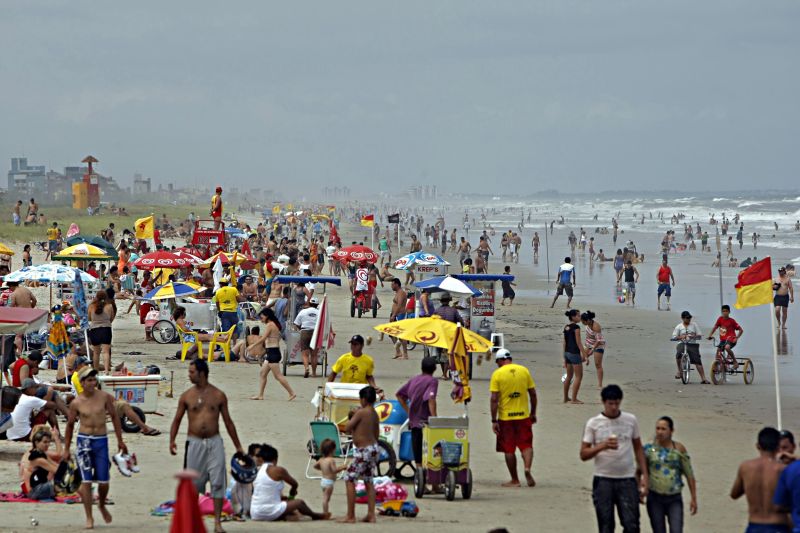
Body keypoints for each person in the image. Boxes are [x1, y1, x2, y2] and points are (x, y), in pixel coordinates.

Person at [169, 359, 244, 533]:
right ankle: (193, 522)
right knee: (193, 484)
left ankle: (217, 523)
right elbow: (177, 419)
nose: (189, 375)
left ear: (202, 373)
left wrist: (238, 446)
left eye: (192, 372)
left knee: (218, 481)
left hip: (214, 441)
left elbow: (228, 422)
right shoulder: (187, 396)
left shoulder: (218, 395)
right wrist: (172, 440)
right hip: (194, 443)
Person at [63, 367, 128, 529]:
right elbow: (70, 426)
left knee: (104, 481)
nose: (93, 383)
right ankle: (89, 517)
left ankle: (101, 504)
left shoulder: (104, 397)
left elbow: (114, 417)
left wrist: (120, 440)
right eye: (89, 380)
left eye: (94, 380)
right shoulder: (76, 403)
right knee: (85, 480)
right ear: (82, 383)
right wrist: (66, 449)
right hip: (84, 442)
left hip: (101, 440)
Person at [580, 385, 649, 533]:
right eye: (610, 403)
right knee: (606, 525)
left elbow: (638, 448)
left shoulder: (630, 420)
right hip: (603, 479)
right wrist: (602, 446)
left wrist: (645, 476)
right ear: (603, 402)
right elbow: (583, 454)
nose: (613, 407)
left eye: (617, 403)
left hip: (627, 479)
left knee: (632, 525)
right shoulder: (593, 423)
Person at [489, 348, 537, 488]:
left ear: (500, 360)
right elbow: (533, 394)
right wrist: (533, 413)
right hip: (523, 416)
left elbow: (494, 399)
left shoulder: (497, 374)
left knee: (509, 449)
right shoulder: (524, 370)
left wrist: (493, 420)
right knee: (526, 445)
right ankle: (527, 468)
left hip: (506, 418)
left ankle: (515, 480)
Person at [642, 416, 698, 533]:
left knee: (676, 529)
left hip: (674, 498)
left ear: (671, 431)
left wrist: (693, 498)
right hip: (654, 497)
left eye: (663, 429)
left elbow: (689, 474)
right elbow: (641, 470)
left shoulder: (679, 449)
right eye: (658, 429)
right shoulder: (649, 449)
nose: (660, 432)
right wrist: (640, 489)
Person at [731, 427, 791, 532]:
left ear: (758, 446)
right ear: (778, 447)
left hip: (754, 525)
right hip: (777, 525)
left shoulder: (746, 467)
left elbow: (734, 494)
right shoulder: (782, 470)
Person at [251, 444, 329, 521]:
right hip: (268, 511)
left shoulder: (258, 470)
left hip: (255, 512)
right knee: (299, 503)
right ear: (276, 458)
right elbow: (294, 484)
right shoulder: (278, 470)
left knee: (285, 502)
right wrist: (292, 495)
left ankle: (286, 515)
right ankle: (315, 515)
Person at [340, 386, 380, 523]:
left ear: (363, 399)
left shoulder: (361, 412)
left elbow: (347, 428)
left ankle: (350, 515)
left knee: (349, 478)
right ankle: (371, 514)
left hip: (364, 451)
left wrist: (352, 415)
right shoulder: (374, 413)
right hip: (373, 448)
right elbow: (376, 434)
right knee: (368, 481)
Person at [396, 357, 439, 472]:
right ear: (434, 368)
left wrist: (409, 410)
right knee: (431, 451)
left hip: (414, 422)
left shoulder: (414, 380)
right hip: (426, 422)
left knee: (418, 454)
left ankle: (420, 478)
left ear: (421, 367)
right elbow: (431, 399)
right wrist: (434, 418)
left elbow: (399, 395)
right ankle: (431, 482)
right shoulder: (432, 381)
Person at [250, 309, 296, 401]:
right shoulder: (274, 325)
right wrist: (263, 354)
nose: (261, 319)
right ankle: (260, 395)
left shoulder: (270, 325)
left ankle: (292, 393)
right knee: (263, 373)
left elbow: (263, 338)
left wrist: (252, 346)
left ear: (267, 316)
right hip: (272, 352)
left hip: (273, 353)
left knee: (278, 376)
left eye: (262, 316)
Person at [22, 425, 63, 500]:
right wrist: (57, 438)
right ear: (37, 442)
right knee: (65, 483)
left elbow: (57, 466)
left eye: (48, 442)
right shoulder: (38, 457)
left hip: (28, 487)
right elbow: (59, 457)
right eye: (45, 442)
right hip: (33, 491)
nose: (47, 444)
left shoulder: (36, 452)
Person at [672, 311, 711, 384]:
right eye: (687, 318)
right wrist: (681, 337)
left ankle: (703, 378)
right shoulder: (679, 326)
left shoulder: (694, 325)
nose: (689, 319)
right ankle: (679, 371)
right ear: (682, 318)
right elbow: (674, 336)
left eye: (690, 317)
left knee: (697, 360)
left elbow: (699, 335)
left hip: (692, 344)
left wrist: (694, 336)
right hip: (682, 343)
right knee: (678, 354)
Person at [774, 434, 800, 531]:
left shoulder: (792, 470)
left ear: (794, 447)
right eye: (778, 448)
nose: (781, 452)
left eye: (785, 448)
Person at [314, 438, 346, 516]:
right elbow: (334, 470)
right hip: (329, 483)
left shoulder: (321, 459)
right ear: (332, 450)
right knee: (326, 499)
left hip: (323, 481)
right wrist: (342, 467)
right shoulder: (331, 460)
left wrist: (321, 468)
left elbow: (315, 466)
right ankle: (325, 513)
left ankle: (325, 511)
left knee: (326, 497)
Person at [563, 309, 588, 404]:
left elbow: (564, 343)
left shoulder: (566, 327)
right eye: (578, 316)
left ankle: (566, 398)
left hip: (567, 353)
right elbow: (579, 343)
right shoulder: (576, 328)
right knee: (578, 376)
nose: (580, 317)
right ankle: (574, 399)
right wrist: (585, 355)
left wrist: (564, 357)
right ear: (573, 317)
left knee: (569, 376)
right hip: (574, 353)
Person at [708, 304, 744, 369]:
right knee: (718, 351)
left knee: (727, 348)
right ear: (722, 312)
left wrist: (737, 338)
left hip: (731, 340)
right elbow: (715, 327)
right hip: (723, 340)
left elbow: (741, 330)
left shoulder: (732, 321)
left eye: (726, 311)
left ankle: (735, 362)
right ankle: (718, 366)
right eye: (723, 311)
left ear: (729, 312)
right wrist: (710, 335)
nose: (725, 312)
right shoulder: (720, 319)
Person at [88, 290, 115, 374]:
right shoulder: (109, 306)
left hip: (94, 329)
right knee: (106, 351)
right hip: (106, 329)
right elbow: (111, 319)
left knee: (96, 353)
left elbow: (89, 318)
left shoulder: (91, 306)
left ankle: (95, 370)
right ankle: (106, 370)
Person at [293, 296, 320, 378]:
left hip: (305, 331)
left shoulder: (303, 311)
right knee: (314, 355)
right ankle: (314, 373)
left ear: (309, 303)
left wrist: (300, 329)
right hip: (316, 332)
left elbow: (296, 324)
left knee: (305, 354)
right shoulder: (320, 312)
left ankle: (307, 368)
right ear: (317, 304)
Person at [581, 310, 606, 388]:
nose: (582, 323)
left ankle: (600, 385)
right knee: (580, 359)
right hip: (589, 344)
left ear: (588, 320)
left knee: (598, 364)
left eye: (583, 322)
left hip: (598, 345)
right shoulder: (587, 324)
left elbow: (598, 340)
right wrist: (587, 349)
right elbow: (588, 337)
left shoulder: (596, 326)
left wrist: (592, 350)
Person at [389, 278, 408, 359]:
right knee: (391, 333)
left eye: (392, 284)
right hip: (394, 314)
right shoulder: (397, 292)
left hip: (399, 315)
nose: (391, 286)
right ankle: (398, 352)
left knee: (401, 335)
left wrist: (394, 315)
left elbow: (399, 305)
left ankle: (405, 354)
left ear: (397, 284)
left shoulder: (401, 293)